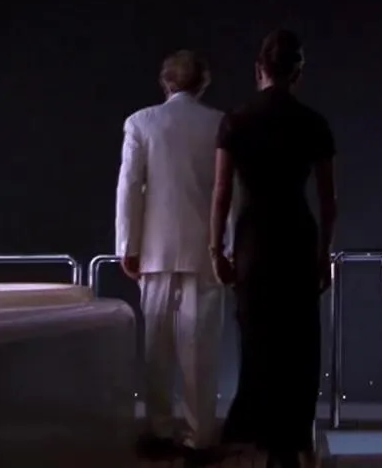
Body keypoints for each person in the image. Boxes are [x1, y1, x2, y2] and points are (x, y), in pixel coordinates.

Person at [209, 29, 338, 468]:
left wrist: (216, 249)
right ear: (297, 73)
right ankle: (290, 442)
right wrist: (324, 253)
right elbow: (328, 200)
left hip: (253, 240)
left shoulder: (236, 120)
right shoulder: (314, 122)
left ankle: (257, 435)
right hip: (297, 237)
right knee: (298, 343)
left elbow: (222, 192)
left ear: (258, 69)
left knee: (258, 338)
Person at [115, 49, 228, 465]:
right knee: (201, 350)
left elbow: (129, 187)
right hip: (205, 252)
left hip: (155, 252)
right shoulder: (220, 123)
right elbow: (229, 190)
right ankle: (201, 437)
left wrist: (128, 245)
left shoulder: (140, 122)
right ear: (203, 83)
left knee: (156, 348)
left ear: (165, 82)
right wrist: (227, 246)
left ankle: (160, 429)